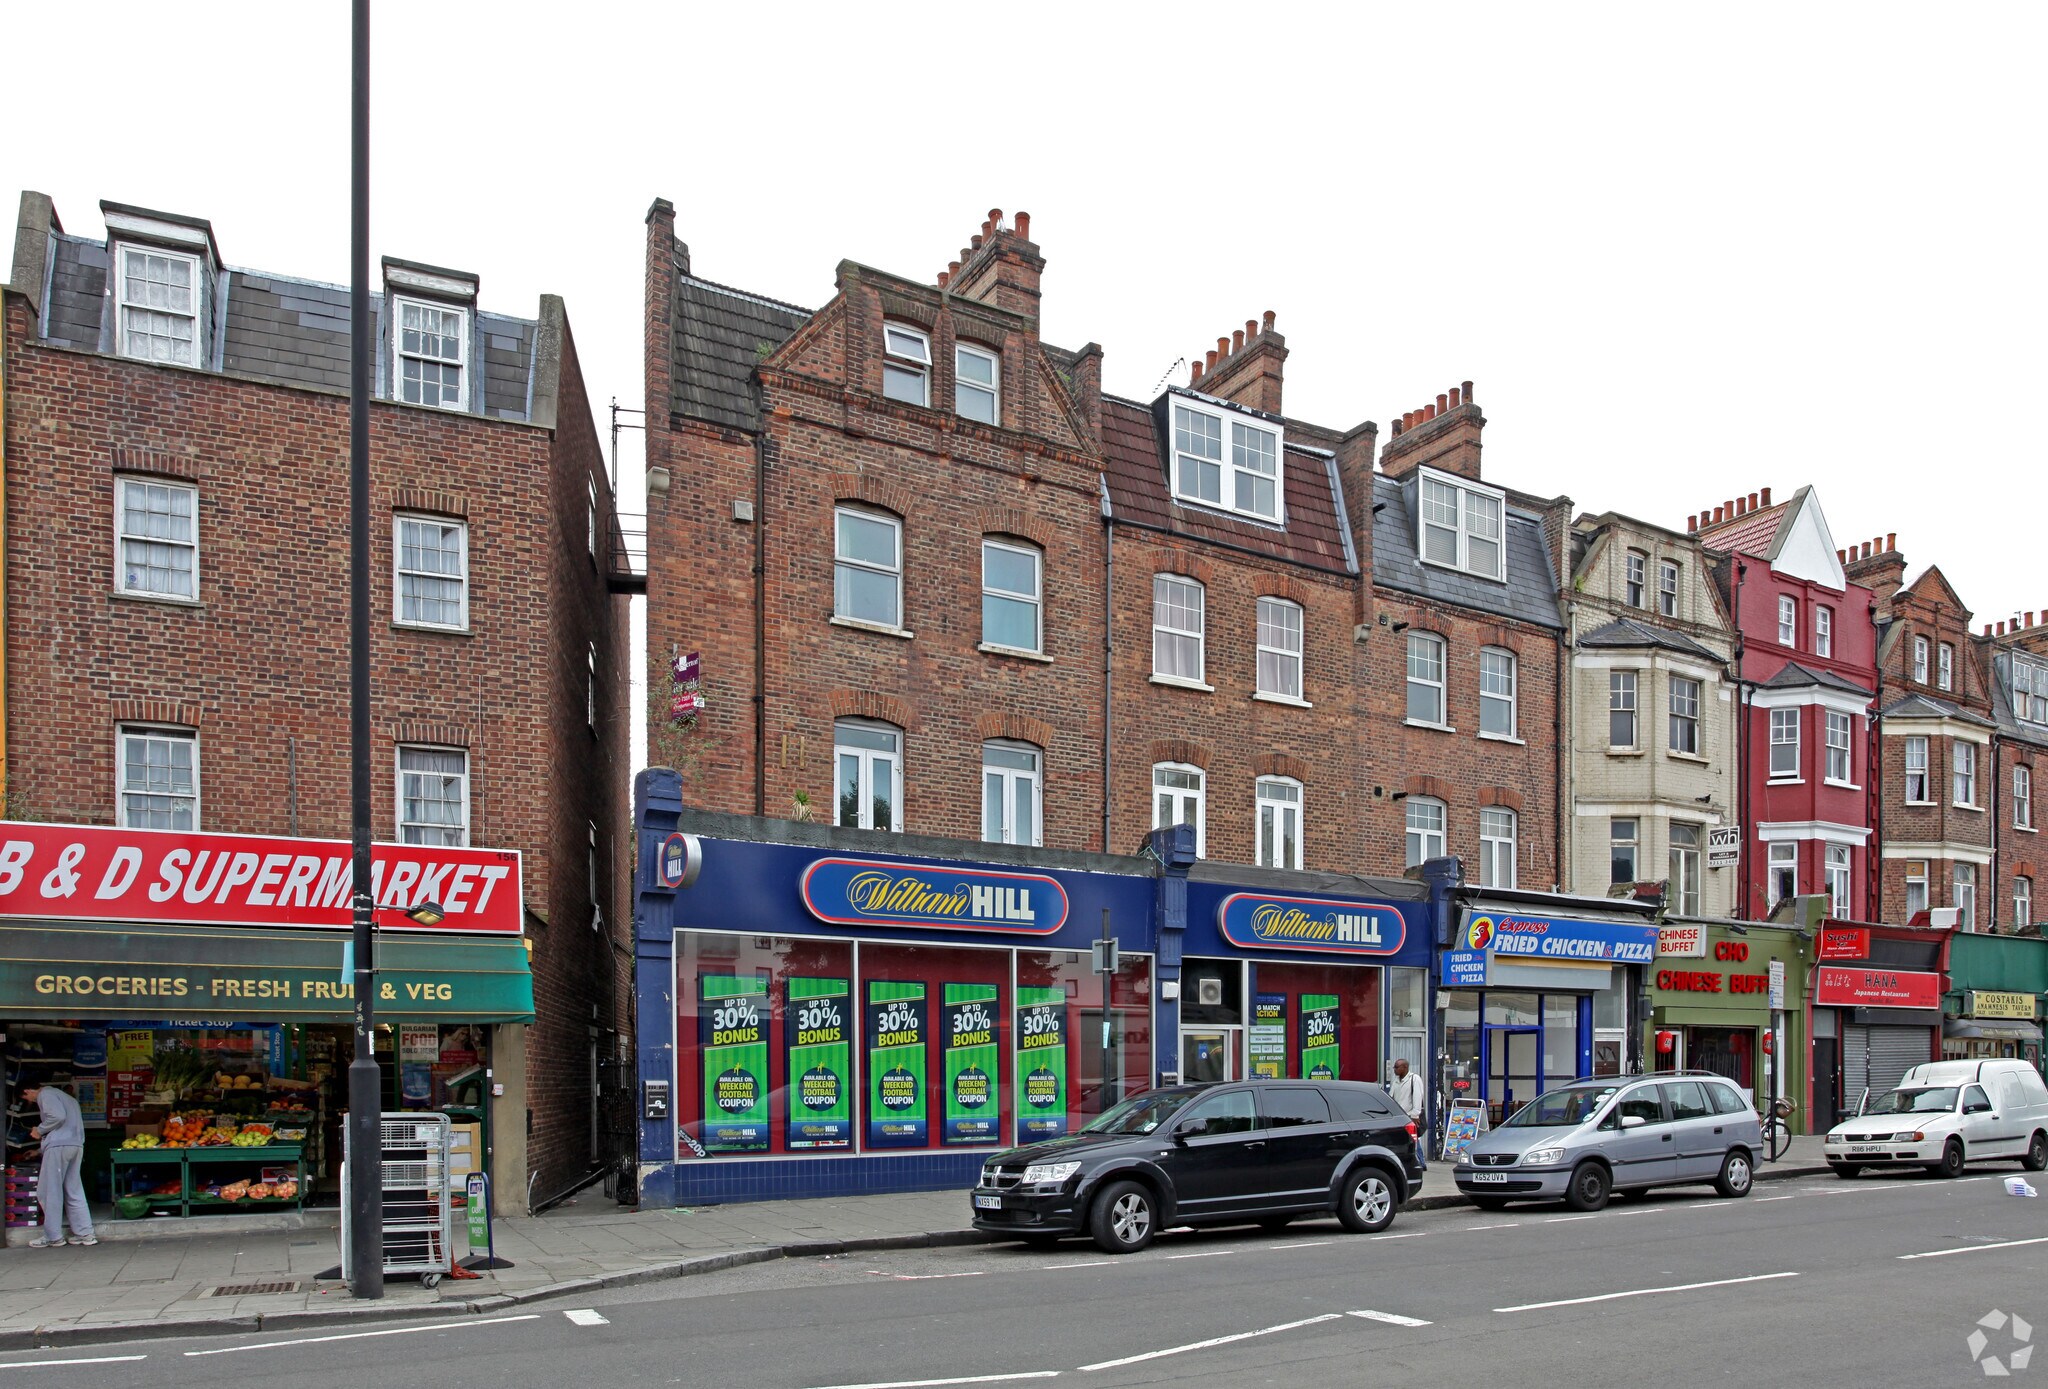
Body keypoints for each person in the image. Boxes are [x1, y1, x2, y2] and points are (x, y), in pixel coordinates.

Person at [22, 1082, 95, 1247]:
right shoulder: (68, 1098)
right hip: (76, 1146)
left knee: (49, 1191)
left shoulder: (45, 1095)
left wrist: (39, 1130)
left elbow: (58, 1117)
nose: (31, 1101)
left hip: (59, 1147)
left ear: (27, 1090)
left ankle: (53, 1236)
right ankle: (85, 1234)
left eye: (27, 1097)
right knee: (74, 1190)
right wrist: (39, 1151)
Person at [1387, 1058, 1427, 1171]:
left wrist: (1415, 1115)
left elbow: (1418, 1097)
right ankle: (1417, 1161)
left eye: (1396, 1067)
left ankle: (1421, 1162)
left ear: (1405, 1067)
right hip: (1398, 1115)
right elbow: (1392, 1097)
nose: (1394, 1069)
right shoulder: (1396, 1081)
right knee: (1408, 1139)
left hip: (1410, 1115)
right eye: (1394, 1067)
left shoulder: (1414, 1079)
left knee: (1412, 1139)